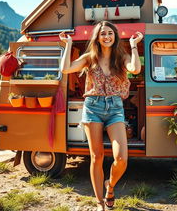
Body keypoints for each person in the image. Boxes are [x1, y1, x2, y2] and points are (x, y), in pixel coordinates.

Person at [60, 21, 143, 211]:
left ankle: (110, 186)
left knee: (121, 158)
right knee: (96, 157)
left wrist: (133, 45)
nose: (106, 37)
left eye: (110, 33)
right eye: (103, 33)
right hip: (93, 107)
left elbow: (135, 69)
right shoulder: (90, 57)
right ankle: (100, 203)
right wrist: (68, 44)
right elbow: (66, 69)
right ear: (97, 37)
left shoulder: (121, 57)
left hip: (115, 108)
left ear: (114, 36)